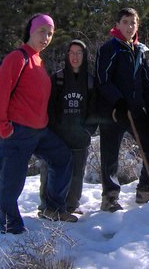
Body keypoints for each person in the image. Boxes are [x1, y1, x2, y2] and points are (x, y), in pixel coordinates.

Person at [0, 13, 78, 234]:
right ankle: (11, 229)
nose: (46, 37)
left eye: (50, 33)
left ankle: (53, 208)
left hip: (40, 131)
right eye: (42, 31)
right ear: (31, 30)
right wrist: (2, 127)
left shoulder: (38, 60)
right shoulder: (17, 58)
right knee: (12, 183)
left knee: (62, 158)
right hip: (17, 132)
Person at [95, 7, 149, 212]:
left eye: (133, 22)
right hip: (113, 111)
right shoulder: (110, 48)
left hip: (135, 110)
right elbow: (102, 79)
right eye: (125, 22)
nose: (129, 26)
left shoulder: (139, 50)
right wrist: (117, 101)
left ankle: (145, 188)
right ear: (117, 25)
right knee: (110, 153)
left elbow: (147, 83)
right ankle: (110, 197)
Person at [39, 39, 98, 216]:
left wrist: (88, 130)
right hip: (58, 135)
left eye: (79, 53)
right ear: (67, 55)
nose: (75, 56)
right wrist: (53, 129)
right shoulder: (57, 78)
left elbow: (95, 108)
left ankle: (71, 204)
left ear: (84, 55)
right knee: (50, 170)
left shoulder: (90, 81)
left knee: (77, 171)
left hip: (80, 135)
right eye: (71, 52)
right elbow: (48, 106)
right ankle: (46, 206)